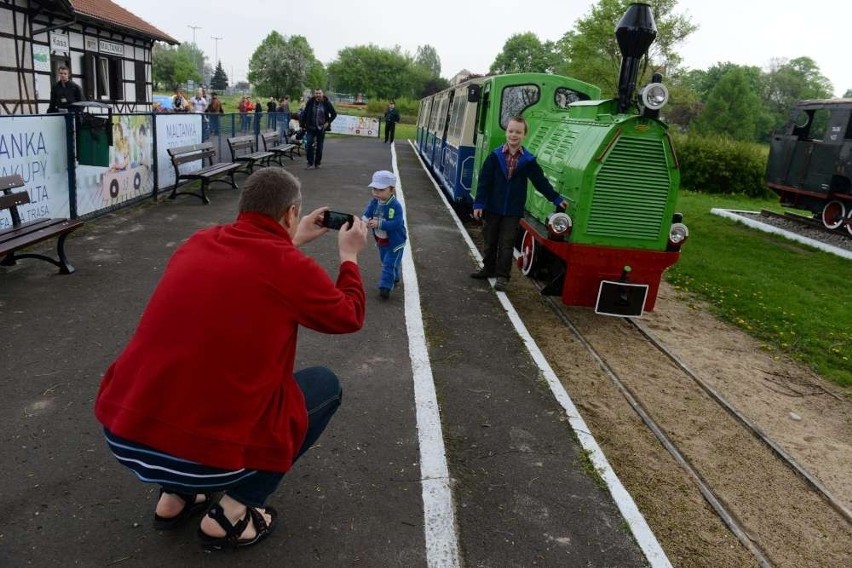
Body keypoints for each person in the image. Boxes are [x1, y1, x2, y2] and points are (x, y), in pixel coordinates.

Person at [94, 167, 368, 552]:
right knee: (323, 386)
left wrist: (292, 240)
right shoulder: (290, 268)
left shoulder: (198, 242)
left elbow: (256, 261)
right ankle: (230, 514)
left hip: (127, 433)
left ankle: (175, 498)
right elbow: (349, 315)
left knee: (191, 370)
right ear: (290, 213)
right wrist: (349, 256)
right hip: (203, 457)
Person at [471, 115, 567, 292]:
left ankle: (502, 277)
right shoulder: (495, 156)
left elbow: (540, 181)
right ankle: (488, 268)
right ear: (506, 133)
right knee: (490, 241)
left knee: (506, 244)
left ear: (524, 135)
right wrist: (479, 204)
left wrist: (555, 198)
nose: (513, 135)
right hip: (492, 207)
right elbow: (484, 182)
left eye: (518, 132)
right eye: (511, 131)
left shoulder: (528, 160)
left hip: (513, 211)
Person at [362, 170, 407, 299]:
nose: (377, 192)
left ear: (392, 190)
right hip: (382, 240)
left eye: (381, 190)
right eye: (375, 189)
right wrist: (362, 222)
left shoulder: (395, 205)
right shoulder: (374, 202)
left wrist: (379, 224)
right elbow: (367, 213)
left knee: (388, 263)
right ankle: (395, 276)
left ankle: (385, 287)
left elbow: (397, 223)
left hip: (395, 241)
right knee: (386, 261)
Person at [299, 88, 337, 169]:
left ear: (322, 94)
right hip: (310, 127)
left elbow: (334, 114)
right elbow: (305, 113)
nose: (318, 95)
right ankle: (310, 163)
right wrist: (302, 124)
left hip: (321, 128)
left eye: (319, 93)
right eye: (316, 93)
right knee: (309, 144)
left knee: (319, 146)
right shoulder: (310, 102)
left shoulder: (326, 103)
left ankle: (317, 163)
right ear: (314, 94)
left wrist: (328, 123)